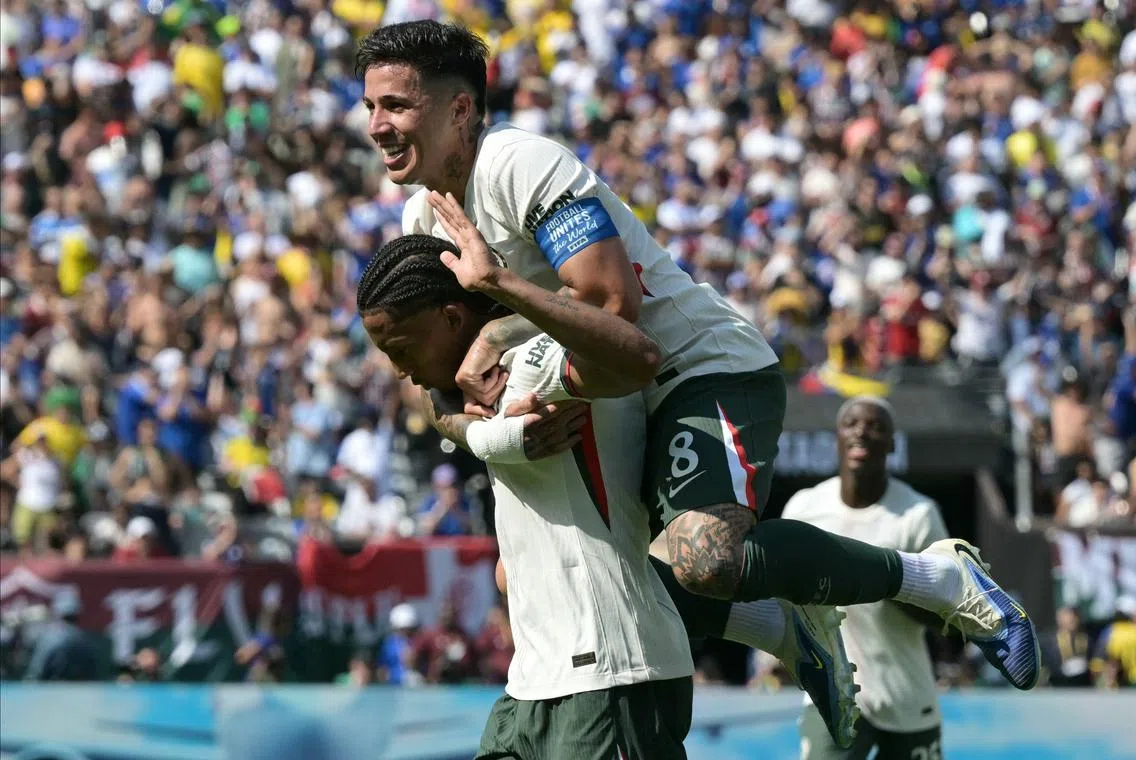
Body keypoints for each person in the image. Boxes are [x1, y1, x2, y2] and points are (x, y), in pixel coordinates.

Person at [354, 21, 1042, 696]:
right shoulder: (424, 223)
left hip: (697, 369)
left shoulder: (519, 164)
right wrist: (489, 430)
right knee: (538, 583)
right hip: (611, 403)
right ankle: (785, 633)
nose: (377, 126)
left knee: (703, 557)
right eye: (369, 108)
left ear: (462, 109)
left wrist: (493, 332)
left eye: (396, 105)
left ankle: (939, 580)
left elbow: (612, 304)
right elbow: (435, 386)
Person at [357, 234, 860, 752]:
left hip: (610, 674)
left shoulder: (530, 361)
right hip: (532, 685)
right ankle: (776, 625)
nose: (398, 369)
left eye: (401, 349)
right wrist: (496, 436)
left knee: (706, 558)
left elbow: (635, 352)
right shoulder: (466, 388)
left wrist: (502, 303)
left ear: (452, 317)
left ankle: (919, 576)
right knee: (510, 576)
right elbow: (430, 398)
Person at [781, 397, 948, 760]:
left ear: (891, 443)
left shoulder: (918, 515)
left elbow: (944, 615)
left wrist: (890, 581)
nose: (862, 431)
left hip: (906, 695)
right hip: (830, 693)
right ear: (837, 438)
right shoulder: (804, 509)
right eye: (852, 423)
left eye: (876, 426)